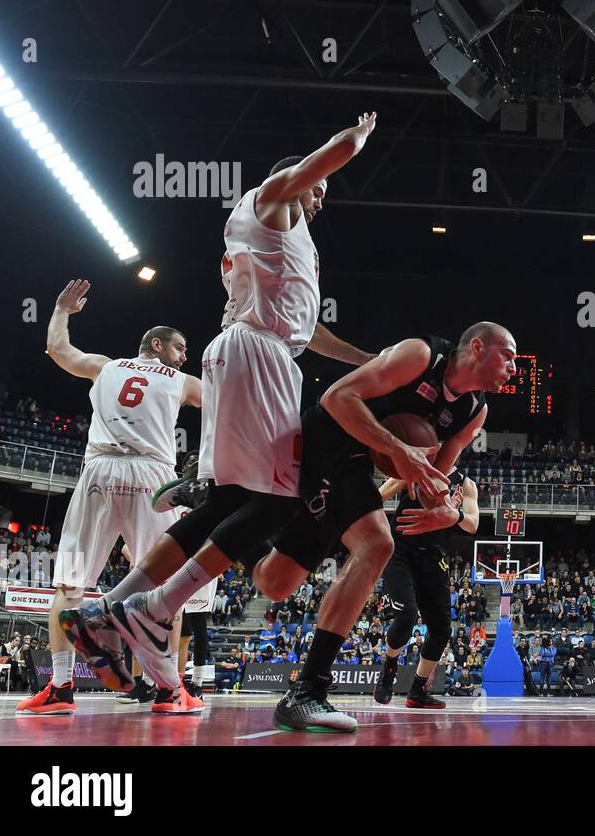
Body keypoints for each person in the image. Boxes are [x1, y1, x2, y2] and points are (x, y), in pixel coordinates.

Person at [61, 117, 378, 699]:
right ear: (291, 177)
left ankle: (108, 609)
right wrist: (354, 140)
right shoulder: (271, 201)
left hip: (252, 353)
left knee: (232, 500)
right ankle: (153, 609)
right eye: (317, 188)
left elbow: (308, 331)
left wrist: (366, 360)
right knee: (280, 501)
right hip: (258, 357)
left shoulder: (285, 241)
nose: (320, 197)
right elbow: (310, 168)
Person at [254, 324, 513, 730]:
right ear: (477, 347)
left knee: (275, 583)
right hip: (325, 439)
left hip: (357, 463)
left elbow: (432, 480)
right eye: (509, 355)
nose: (514, 367)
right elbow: (336, 397)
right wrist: (398, 450)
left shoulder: (474, 411)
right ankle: (307, 691)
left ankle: (241, 514)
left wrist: (448, 512)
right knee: (377, 544)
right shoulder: (420, 355)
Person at [19, 279, 201, 717]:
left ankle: (61, 688)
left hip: (100, 470)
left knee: (70, 582)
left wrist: (62, 310)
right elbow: (229, 406)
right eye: (179, 348)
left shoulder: (105, 366)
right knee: (166, 584)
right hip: (154, 476)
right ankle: (168, 690)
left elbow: (59, 351)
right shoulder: (180, 380)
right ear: (156, 345)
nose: (183, 356)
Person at [372, 472, 480, 709]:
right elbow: (377, 497)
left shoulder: (466, 484)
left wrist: (455, 514)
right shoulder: (414, 469)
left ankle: (417, 691)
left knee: (441, 631)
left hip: (433, 558)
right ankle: (389, 668)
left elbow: (472, 525)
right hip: (401, 552)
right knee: (407, 615)